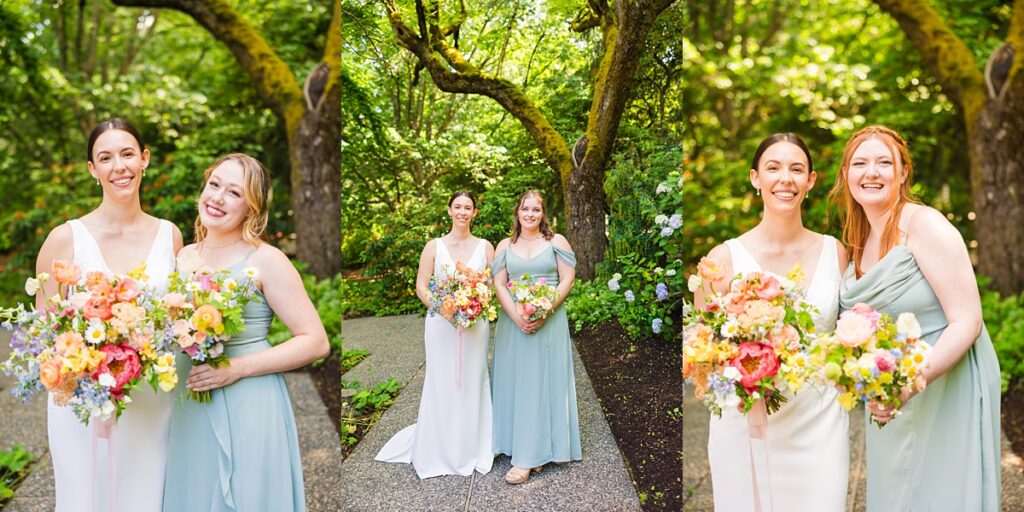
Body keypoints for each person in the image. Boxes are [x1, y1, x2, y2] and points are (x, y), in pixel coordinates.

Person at [832, 125, 1001, 511]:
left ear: (903, 172)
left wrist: (910, 384)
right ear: (845, 174)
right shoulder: (859, 239)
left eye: (883, 162)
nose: (871, 172)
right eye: (860, 163)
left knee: (941, 494)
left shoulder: (925, 224)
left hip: (945, 382)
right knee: (898, 493)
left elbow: (967, 321)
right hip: (891, 392)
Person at [162, 153, 330, 511]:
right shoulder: (184, 255)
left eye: (234, 192)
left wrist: (235, 368)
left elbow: (316, 341)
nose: (218, 197)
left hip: (248, 397)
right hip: (189, 398)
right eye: (214, 184)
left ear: (251, 207)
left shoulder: (266, 259)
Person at [694, 133, 849, 511]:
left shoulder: (836, 252)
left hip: (820, 422)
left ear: (810, 181)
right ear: (755, 178)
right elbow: (701, 352)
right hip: (746, 423)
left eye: (797, 169)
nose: (785, 179)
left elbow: (847, 336)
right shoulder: (722, 259)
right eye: (773, 168)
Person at [35, 118, 183, 512]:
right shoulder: (64, 239)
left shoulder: (170, 236)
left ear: (144, 159)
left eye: (127, 154)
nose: (119, 166)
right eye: (105, 158)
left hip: (151, 400)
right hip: (83, 404)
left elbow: (176, 320)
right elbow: (44, 334)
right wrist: (89, 362)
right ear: (92, 169)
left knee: (146, 497)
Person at [375, 191, 496, 478]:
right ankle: (439, 446)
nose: (462, 212)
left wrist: (475, 305)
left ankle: (473, 445)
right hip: (441, 324)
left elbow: (493, 284)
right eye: (458, 206)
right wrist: (445, 310)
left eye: (468, 207)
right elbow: (421, 285)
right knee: (442, 380)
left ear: (475, 213)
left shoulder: (485, 247)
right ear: (449, 210)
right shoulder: (434, 246)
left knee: (473, 378)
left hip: (474, 324)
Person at [491, 189, 581, 485]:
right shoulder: (505, 245)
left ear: (543, 214)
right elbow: (499, 284)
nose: (530, 214)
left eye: (536, 209)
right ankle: (522, 445)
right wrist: (517, 315)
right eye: (525, 209)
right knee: (518, 383)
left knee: (543, 382)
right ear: (517, 212)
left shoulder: (557, 242)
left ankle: (533, 455)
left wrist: (545, 310)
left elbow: (567, 279)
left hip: (549, 321)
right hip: (513, 322)